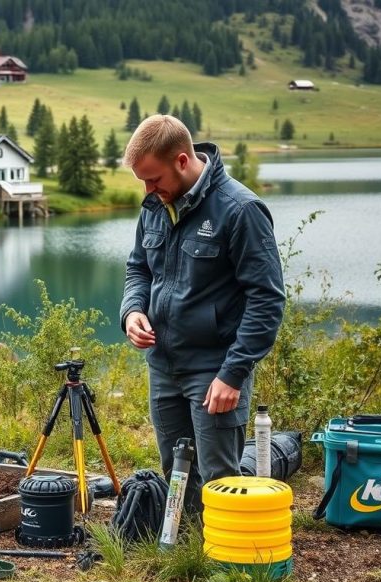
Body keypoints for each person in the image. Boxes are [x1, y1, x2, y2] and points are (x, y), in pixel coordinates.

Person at [119, 115, 285, 510]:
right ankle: (186, 554)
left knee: (219, 478)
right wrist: (132, 310)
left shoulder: (239, 209)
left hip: (215, 369)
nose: (148, 189)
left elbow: (267, 299)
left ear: (181, 160)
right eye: (142, 181)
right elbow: (139, 267)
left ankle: (227, 564)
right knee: (175, 474)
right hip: (163, 366)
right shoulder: (156, 206)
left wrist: (233, 373)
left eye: (153, 179)